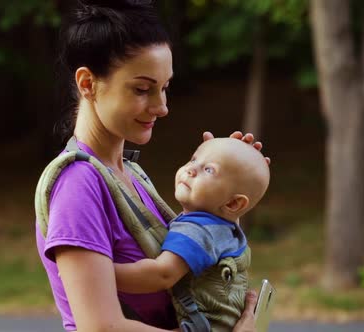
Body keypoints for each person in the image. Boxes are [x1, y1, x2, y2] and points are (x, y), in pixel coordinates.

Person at [35, 1, 270, 331]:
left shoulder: (128, 174)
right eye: (142, 89)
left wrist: (234, 182)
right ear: (87, 83)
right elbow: (101, 327)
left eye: (165, 88)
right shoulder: (78, 185)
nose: (162, 107)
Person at [114, 138, 270, 330]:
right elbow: (228, 195)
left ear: (232, 204)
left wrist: (102, 273)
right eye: (194, 159)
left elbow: (162, 274)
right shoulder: (225, 226)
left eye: (209, 170)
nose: (191, 169)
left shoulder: (197, 231)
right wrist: (225, 157)